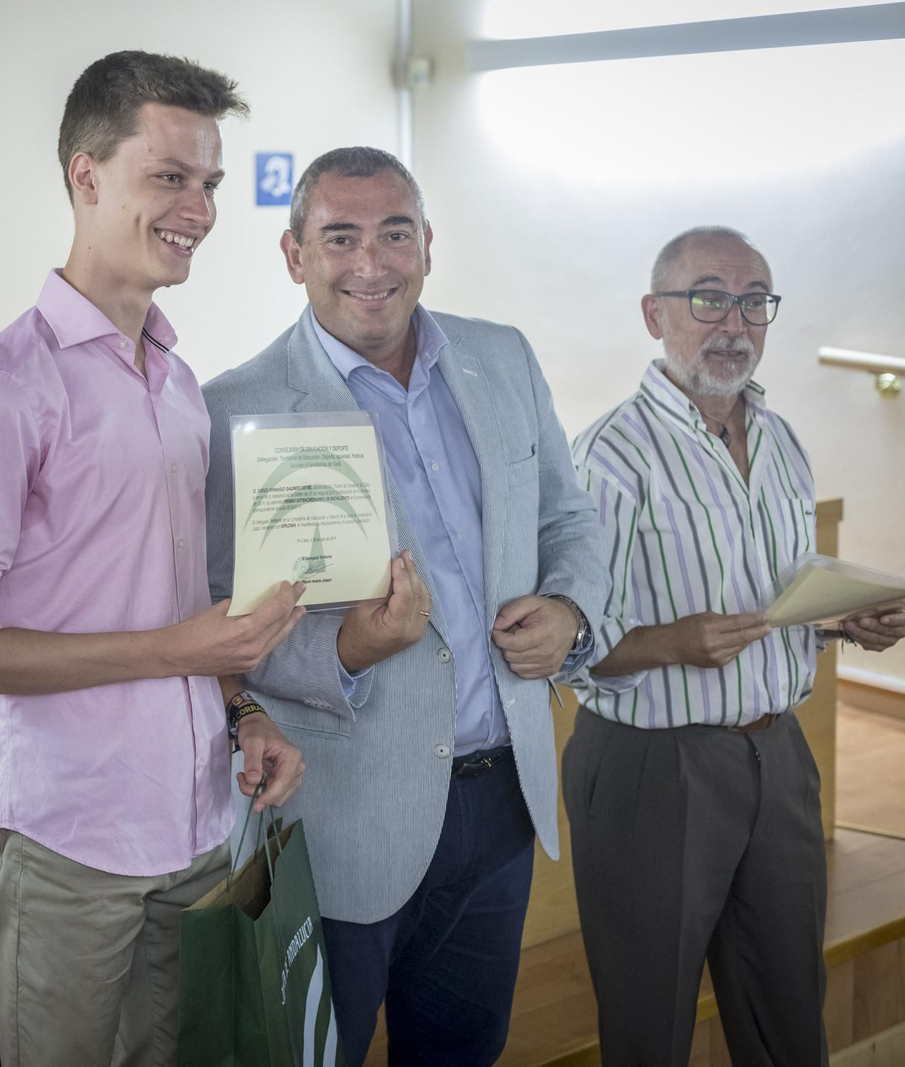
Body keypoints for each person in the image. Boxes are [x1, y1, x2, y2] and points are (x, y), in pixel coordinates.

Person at [0, 52, 305, 1067]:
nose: (200, 208)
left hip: (193, 820)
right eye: (170, 176)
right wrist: (177, 646)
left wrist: (241, 707)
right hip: (69, 836)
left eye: (209, 182)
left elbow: (177, 603)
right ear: (86, 174)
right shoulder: (2, 390)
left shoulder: (174, 380)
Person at [202, 146, 609, 1066]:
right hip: (345, 819)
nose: (371, 262)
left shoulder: (502, 357)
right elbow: (221, 629)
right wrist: (347, 644)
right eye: (339, 237)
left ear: (427, 243)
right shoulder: (236, 409)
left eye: (394, 233)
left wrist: (572, 611)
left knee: (464, 1050)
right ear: (293, 253)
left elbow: (567, 516)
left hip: (502, 797)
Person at [565, 225, 905, 1066]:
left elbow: (784, 600)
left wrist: (844, 620)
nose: (735, 321)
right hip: (653, 769)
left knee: (790, 1013)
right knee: (650, 1023)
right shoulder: (608, 458)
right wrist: (670, 643)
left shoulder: (783, 441)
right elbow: (566, 648)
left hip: (778, 757)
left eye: (755, 300)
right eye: (709, 297)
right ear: (656, 315)